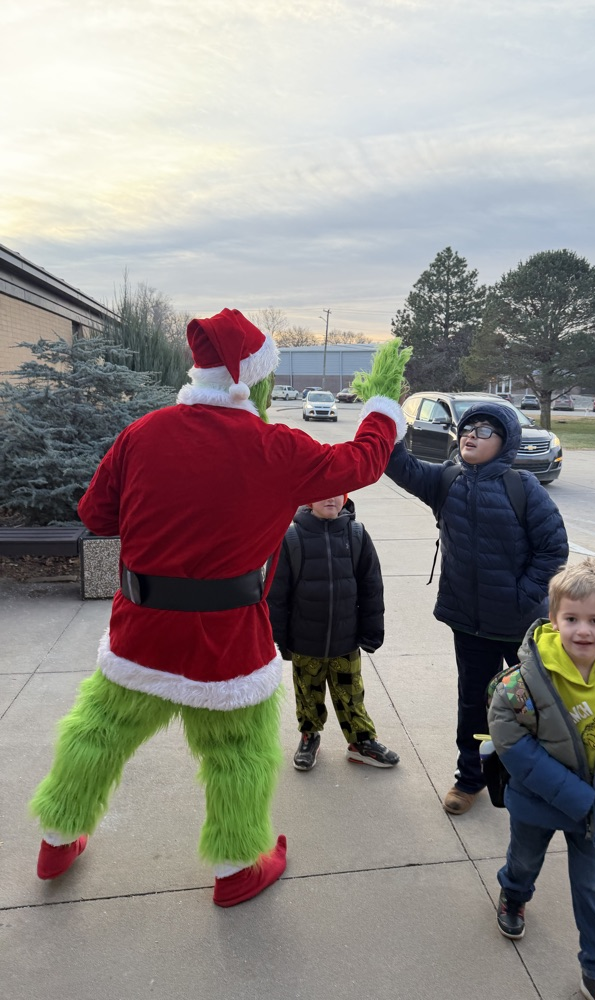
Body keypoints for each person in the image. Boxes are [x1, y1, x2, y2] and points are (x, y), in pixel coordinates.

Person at [29, 310, 410, 907]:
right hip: (229, 640)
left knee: (98, 732)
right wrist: (383, 408)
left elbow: (95, 516)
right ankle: (236, 869)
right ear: (251, 382)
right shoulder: (276, 447)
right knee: (239, 752)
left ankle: (56, 841)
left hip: (141, 629)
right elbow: (362, 462)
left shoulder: (144, 432)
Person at [385, 401, 568, 814]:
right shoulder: (447, 480)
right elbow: (400, 467)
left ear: (505, 442)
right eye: (468, 428)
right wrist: (386, 422)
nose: (471, 435)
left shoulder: (523, 487)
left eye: (485, 430)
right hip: (469, 625)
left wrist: (522, 595)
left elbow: (553, 549)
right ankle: (471, 779)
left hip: (522, 625)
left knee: (532, 706)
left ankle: (535, 779)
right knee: (473, 706)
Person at [487, 558, 595, 1000]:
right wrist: (578, 797)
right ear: (554, 620)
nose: (584, 630)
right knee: (525, 860)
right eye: (572, 619)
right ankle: (513, 892)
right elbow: (512, 743)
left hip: (593, 806)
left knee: (594, 887)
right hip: (538, 801)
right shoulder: (523, 681)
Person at [268, 493, 399, 771]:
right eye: (322, 491)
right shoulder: (290, 538)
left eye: (338, 491)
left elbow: (371, 587)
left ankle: (361, 742)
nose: (331, 497)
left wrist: (372, 631)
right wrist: (276, 638)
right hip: (304, 641)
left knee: (351, 694)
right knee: (308, 693)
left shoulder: (356, 534)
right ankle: (309, 735)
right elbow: (276, 594)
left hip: (345, 640)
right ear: (307, 499)